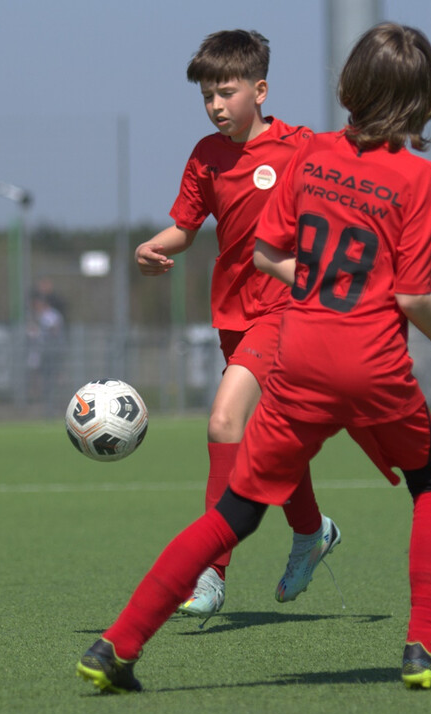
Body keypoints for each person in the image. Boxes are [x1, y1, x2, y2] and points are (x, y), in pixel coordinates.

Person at [78, 22, 431, 692]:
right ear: (423, 101)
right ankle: (424, 649)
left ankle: (116, 646)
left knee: (234, 512)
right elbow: (412, 297)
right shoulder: (421, 178)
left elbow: (267, 255)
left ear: (348, 86)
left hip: (298, 356)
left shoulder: (312, 154)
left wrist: (321, 285)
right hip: (374, 364)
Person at [134, 29, 336, 620]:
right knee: (268, 440)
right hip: (232, 313)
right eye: (206, 97)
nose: (216, 105)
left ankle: (211, 573)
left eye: (225, 92)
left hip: (288, 310)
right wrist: (153, 247)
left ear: (260, 89)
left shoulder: (302, 147)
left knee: (224, 421)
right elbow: (187, 229)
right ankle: (311, 532)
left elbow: (351, 190)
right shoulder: (205, 155)